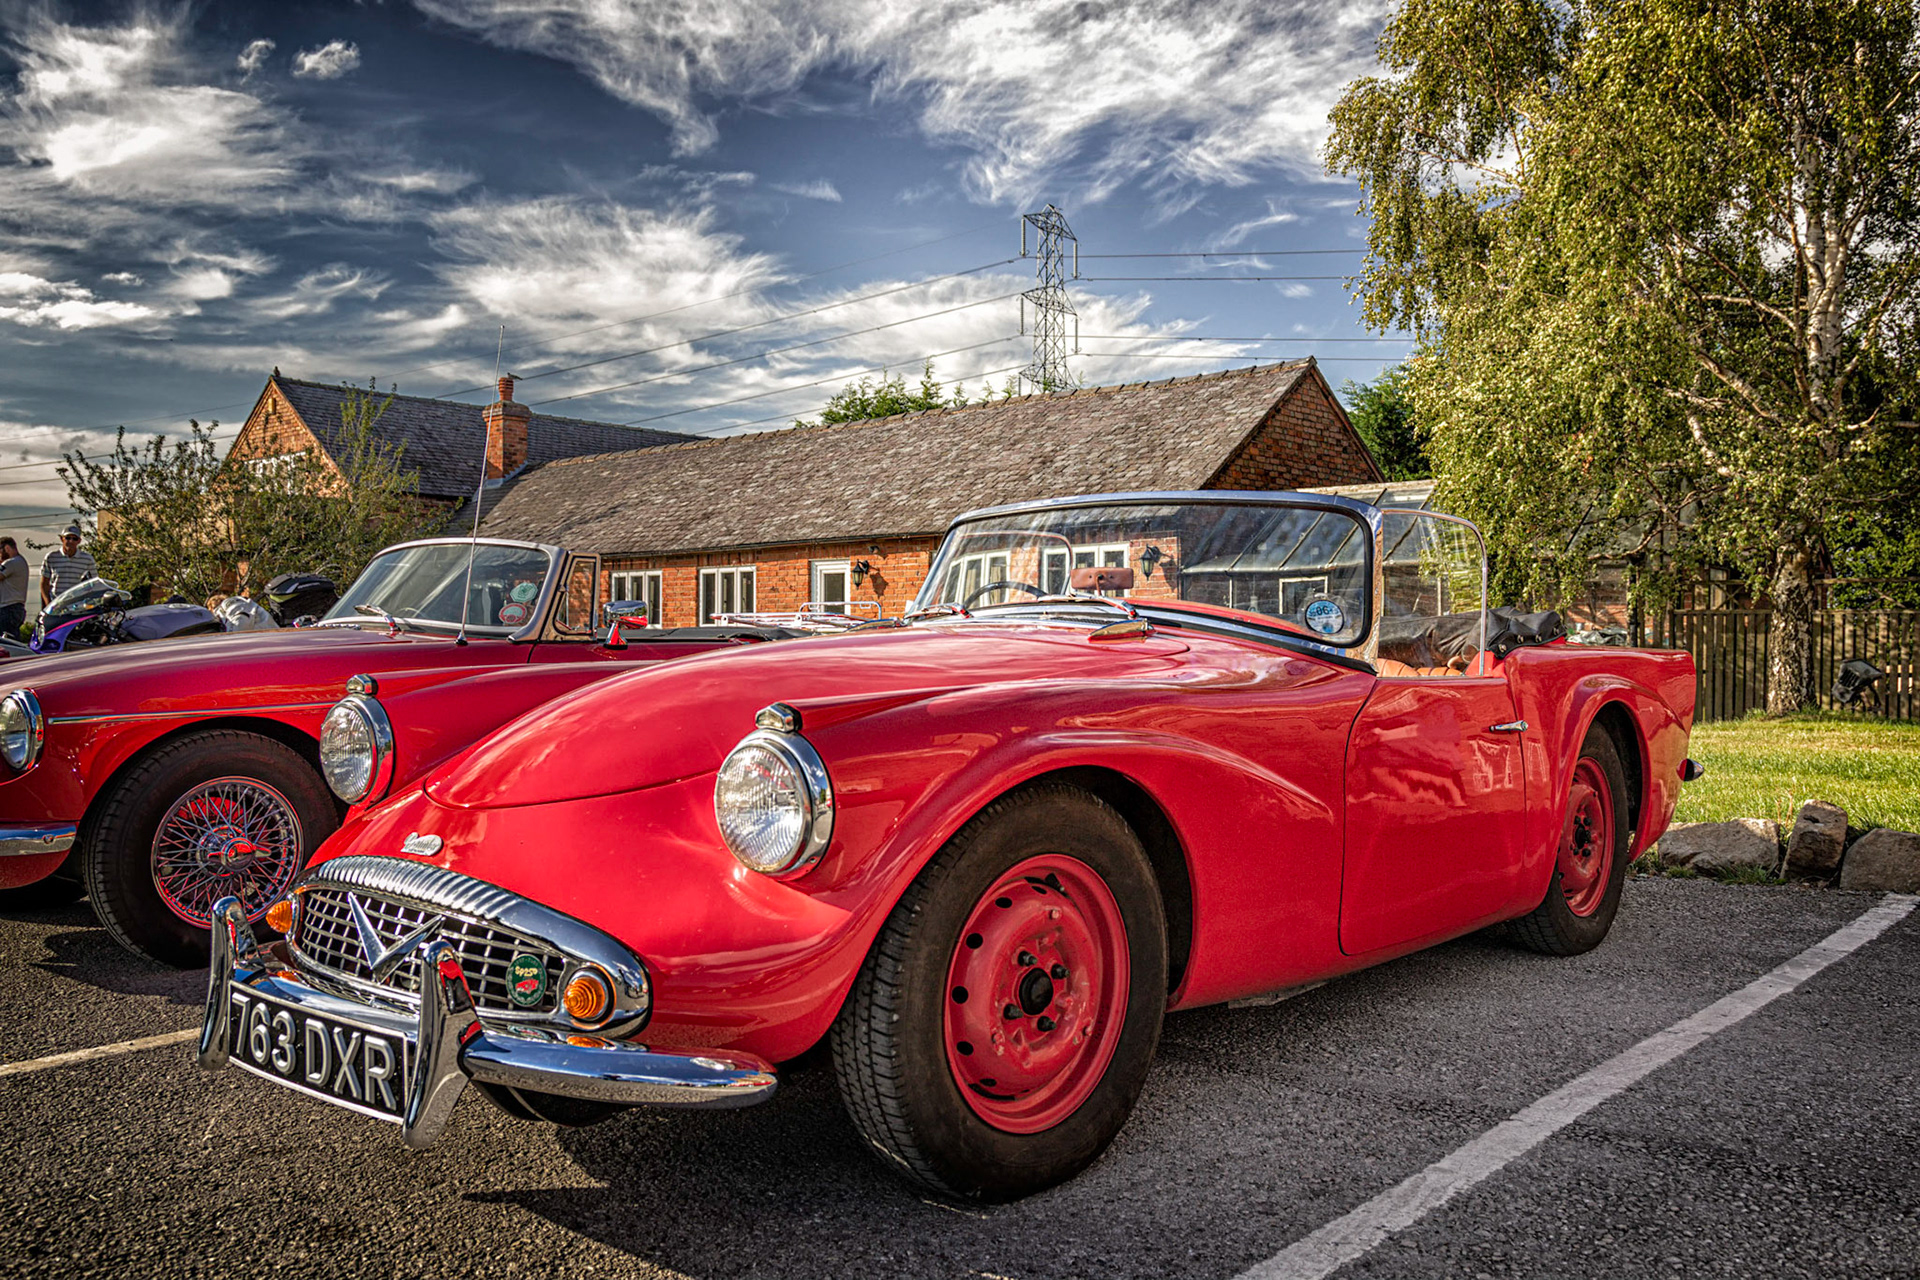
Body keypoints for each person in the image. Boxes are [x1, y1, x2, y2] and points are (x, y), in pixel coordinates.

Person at [40, 524, 99, 606]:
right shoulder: (51, 557)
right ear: (62, 539)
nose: (71, 541)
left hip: (77, 603)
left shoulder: (87, 559)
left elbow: (95, 582)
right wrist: (48, 604)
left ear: (79, 541)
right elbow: (44, 583)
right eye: (68, 538)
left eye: (74, 539)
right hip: (56, 602)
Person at [0, 536, 26, 637]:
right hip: (15, 608)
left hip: (8, 609)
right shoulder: (20, 561)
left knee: (6, 643)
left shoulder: (12, 562)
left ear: (6, 548)